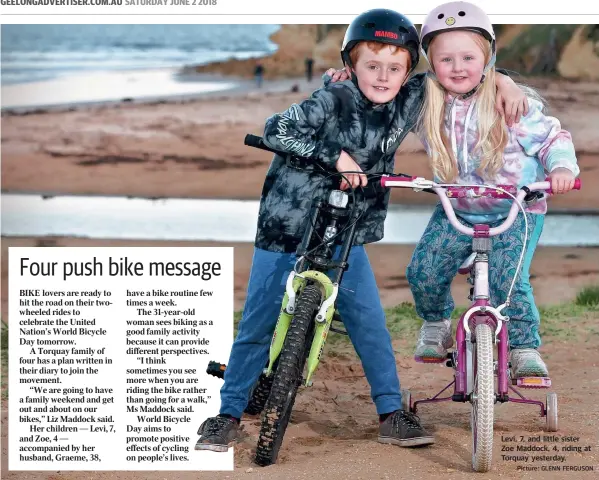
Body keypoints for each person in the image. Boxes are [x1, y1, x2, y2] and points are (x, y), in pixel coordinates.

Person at [195, 8, 526, 455]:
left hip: (349, 230)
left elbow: (461, 72)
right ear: (352, 64)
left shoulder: (412, 98)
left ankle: (391, 413)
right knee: (258, 320)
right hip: (287, 223)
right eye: (372, 65)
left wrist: (501, 79)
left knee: (369, 323)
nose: (383, 76)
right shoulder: (332, 98)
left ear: (410, 70)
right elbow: (279, 128)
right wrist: (335, 155)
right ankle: (227, 414)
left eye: (395, 68)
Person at [405, 2, 580, 379]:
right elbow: (380, 97)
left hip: (516, 209)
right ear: (431, 64)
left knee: (508, 280)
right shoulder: (426, 103)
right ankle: (436, 324)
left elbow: (552, 137)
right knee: (423, 271)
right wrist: (343, 78)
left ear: (488, 57)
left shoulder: (511, 103)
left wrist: (562, 168)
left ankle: (523, 345)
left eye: (468, 57)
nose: (457, 67)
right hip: (457, 209)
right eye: (446, 59)